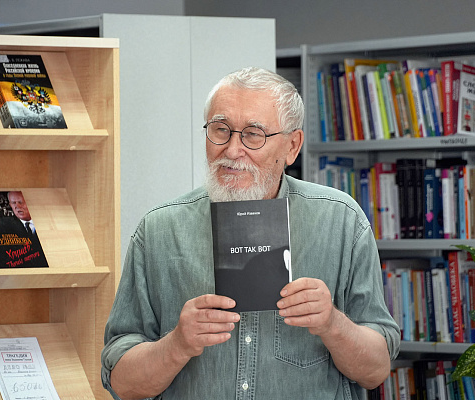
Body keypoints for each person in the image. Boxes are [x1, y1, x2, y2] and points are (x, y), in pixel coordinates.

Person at [101, 67, 400, 399]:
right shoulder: (159, 230)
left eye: (253, 135)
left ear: (292, 146)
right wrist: (177, 344)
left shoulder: (341, 221)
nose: (232, 150)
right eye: (220, 130)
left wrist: (332, 323)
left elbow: (375, 371)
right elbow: (121, 382)